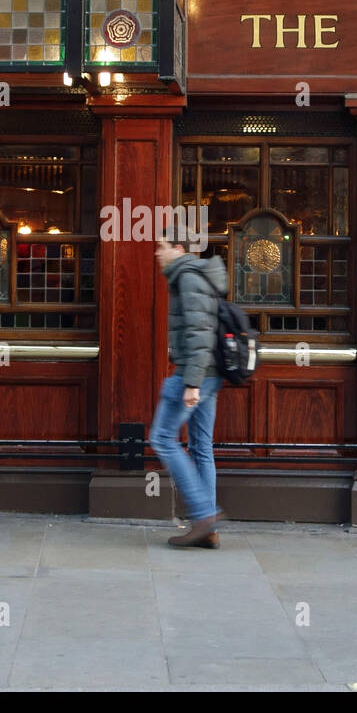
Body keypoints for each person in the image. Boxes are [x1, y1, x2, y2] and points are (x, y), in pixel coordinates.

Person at [150, 219, 227, 548]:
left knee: (163, 438)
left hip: (195, 375)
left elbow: (199, 333)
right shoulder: (194, 276)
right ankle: (207, 528)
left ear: (178, 249)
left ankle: (202, 516)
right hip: (207, 375)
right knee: (200, 448)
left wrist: (192, 383)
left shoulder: (188, 278)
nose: (158, 253)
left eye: (162, 246)